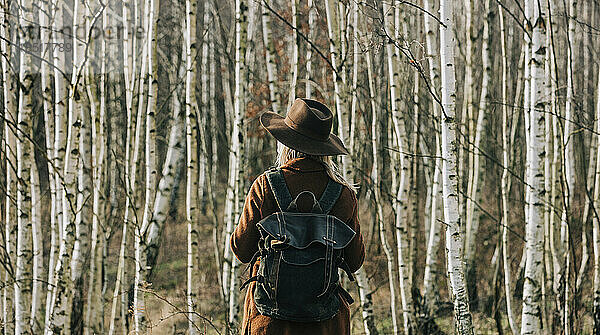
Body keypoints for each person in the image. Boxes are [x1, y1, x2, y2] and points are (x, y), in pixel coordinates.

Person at [230, 98, 365, 335]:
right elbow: (355, 261)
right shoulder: (343, 193)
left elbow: (242, 249)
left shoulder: (265, 185)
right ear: (325, 150)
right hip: (325, 323)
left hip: (269, 320)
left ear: (286, 142)